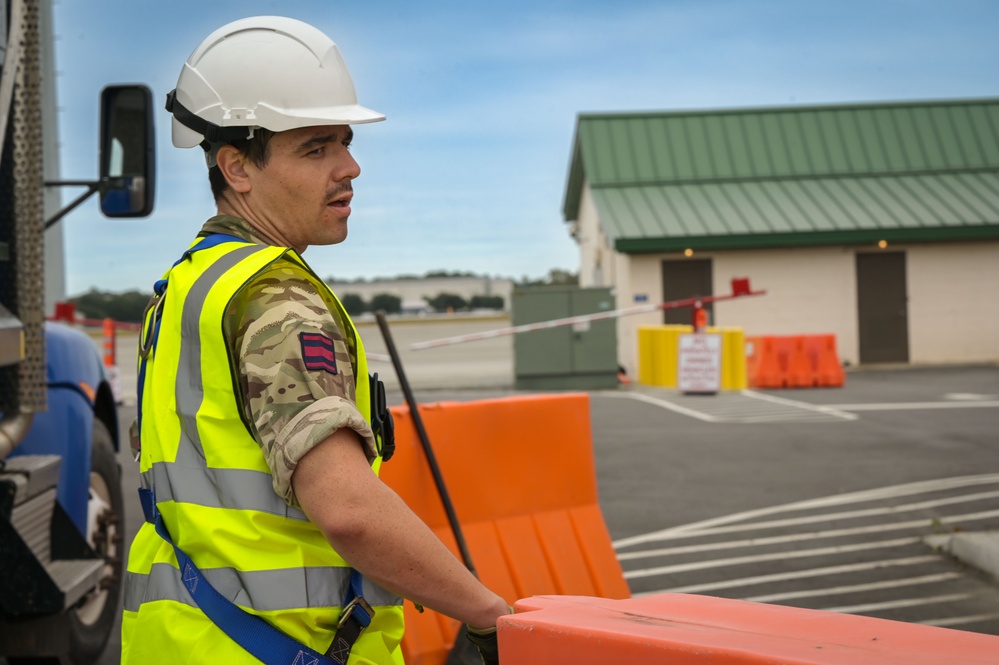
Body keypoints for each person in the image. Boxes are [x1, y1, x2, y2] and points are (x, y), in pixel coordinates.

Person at [120, 16, 509, 665]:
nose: (350, 167)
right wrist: (486, 614)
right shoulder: (278, 301)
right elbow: (348, 507)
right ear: (236, 166)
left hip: (184, 639)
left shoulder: (187, 285)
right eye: (315, 147)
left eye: (346, 143)